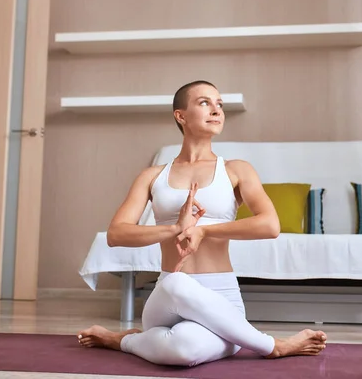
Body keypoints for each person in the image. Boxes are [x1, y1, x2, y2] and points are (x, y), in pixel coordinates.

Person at [77, 80, 327, 367]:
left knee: (184, 350)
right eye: (205, 102)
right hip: (167, 297)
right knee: (176, 283)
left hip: (220, 295)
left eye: (219, 104)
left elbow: (270, 225)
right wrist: (174, 229)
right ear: (180, 116)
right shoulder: (152, 175)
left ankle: (121, 340)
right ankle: (274, 346)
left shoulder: (236, 170)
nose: (216, 110)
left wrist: (203, 229)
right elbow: (116, 233)